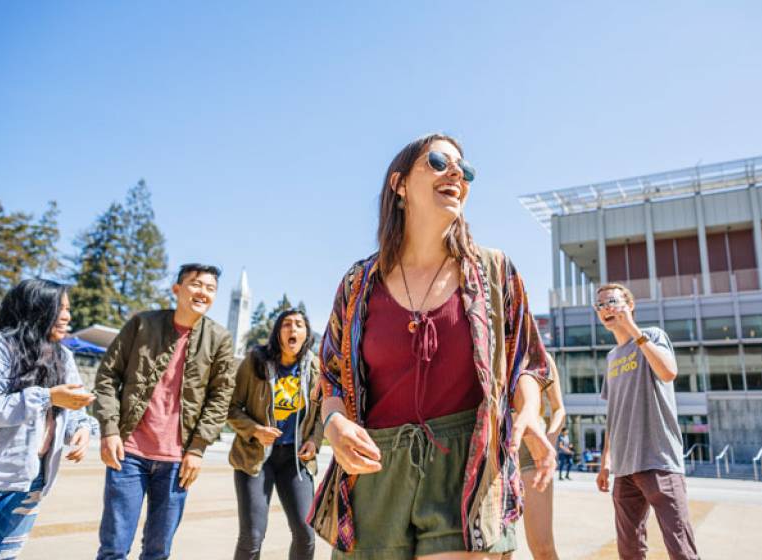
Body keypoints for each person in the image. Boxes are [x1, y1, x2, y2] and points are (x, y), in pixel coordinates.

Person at [309, 133, 556, 560]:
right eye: (439, 162)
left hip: (466, 467)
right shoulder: (357, 283)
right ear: (399, 185)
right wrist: (334, 425)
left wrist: (530, 412)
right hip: (374, 470)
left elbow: (527, 363)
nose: (458, 173)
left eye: (466, 170)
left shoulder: (496, 271)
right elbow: (331, 375)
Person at [93, 263, 236, 560]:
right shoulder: (142, 324)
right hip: (128, 454)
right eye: (196, 284)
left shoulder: (219, 338)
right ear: (177, 289)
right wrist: (109, 430)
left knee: (158, 551)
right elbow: (108, 376)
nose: (203, 292)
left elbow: (220, 397)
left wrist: (197, 449)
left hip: (177, 462)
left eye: (211, 289)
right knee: (114, 548)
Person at [0, 279, 94, 560]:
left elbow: (72, 404)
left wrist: (81, 427)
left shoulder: (64, 355)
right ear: (36, 309)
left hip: (30, 481)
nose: (68, 316)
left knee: (1, 557)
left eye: (68, 309)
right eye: (60, 308)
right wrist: (45, 398)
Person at [593, 283, 699, 560]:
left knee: (680, 548)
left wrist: (636, 333)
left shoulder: (652, 336)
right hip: (624, 467)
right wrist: (606, 460)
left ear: (630, 305)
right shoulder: (611, 357)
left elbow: (668, 372)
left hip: (658, 460)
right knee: (629, 549)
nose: (606, 309)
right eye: (600, 305)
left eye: (612, 302)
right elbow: (613, 414)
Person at [227, 308, 323, 560]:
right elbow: (232, 407)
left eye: (299, 325)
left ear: (306, 334)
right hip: (255, 459)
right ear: (278, 332)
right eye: (287, 324)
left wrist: (315, 440)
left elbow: (323, 411)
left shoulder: (314, 367)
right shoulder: (256, 361)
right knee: (253, 537)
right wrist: (255, 430)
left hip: (295, 461)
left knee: (305, 534)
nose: (293, 329)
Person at [517, 375, 566, 560]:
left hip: (533, 452)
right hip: (499, 451)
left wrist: (549, 442)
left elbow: (559, 409)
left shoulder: (538, 353)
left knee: (543, 548)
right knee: (501, 550)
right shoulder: (492, 346)